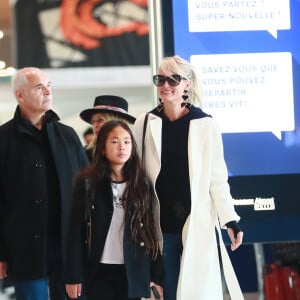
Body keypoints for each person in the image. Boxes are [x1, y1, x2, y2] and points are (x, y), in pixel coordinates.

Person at [133, 55, 244, 300]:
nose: (166, 85)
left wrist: (230, 220)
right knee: (168, 290)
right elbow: (137, 174)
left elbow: (217, 177)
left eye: (173, 79)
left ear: (187, 84)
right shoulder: (144, 123)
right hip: (160, 224)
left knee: (198, 291)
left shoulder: (205, 124)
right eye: (160, 79)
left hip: (196, 221)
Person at [0, 67, 89, 300]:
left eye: (49, 85)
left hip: (67, 249)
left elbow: (86, 191)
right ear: (20, 95)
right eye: (39, 87)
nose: (48, 91)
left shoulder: (68, 136)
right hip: (23, 248)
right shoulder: (3, 139)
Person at [64, 120, 164, 300]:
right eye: (114, 141)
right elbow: (74, 232)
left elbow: (150, 231)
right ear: (102, 148)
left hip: (131, 271)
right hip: (98, 270)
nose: (122, 147)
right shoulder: (87, 183)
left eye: (127, 141)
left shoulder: (142, 184)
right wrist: (73, 276)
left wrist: (156, 275)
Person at [80, 95, 136, 162]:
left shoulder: (134, 154)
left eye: (100, 120)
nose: (95, 125)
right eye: (93, 121)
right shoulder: (85, 154)